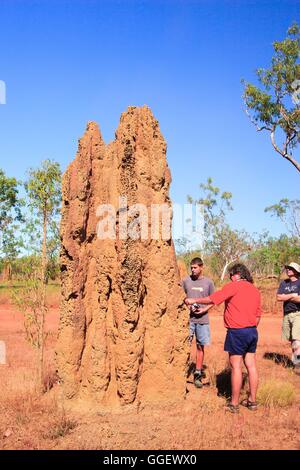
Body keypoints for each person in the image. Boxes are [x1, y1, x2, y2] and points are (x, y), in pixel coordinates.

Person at [185, 263, 261, 413]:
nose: (231, 278)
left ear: (237, 274)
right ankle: (252, 401)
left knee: (236, 367)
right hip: (252, 331)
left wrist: (193, 300)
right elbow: (258, 316)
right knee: (251, 366)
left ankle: (234, 404)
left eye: (231, 275)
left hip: (237, 332)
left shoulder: (234, 286)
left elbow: (213, 298)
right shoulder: (255, 290)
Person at [182, 257, 214, 388]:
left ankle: (197, 374)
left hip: (202, 319)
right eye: (192, 268)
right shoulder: (185, 280)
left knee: (200, 347)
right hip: (188, 320)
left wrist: (203, 310)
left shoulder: (208, 283)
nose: (193, 270)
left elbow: (214, 300)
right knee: (184, 345)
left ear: (201, 267)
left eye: (195, 267)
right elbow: (178, 295)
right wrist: (187, 305)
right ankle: (181, 372)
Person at [277, 262, 300, 375]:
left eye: (291, 268)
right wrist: (292, 295)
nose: (288, 270)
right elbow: (278, 297)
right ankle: (296, 362)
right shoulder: (283, 283)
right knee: (292, 340)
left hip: (298, 314)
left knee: (297, 341)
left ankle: (297, 365)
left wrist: (286, 297)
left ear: (296, 271)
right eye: (287, 268)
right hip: (286, 314)